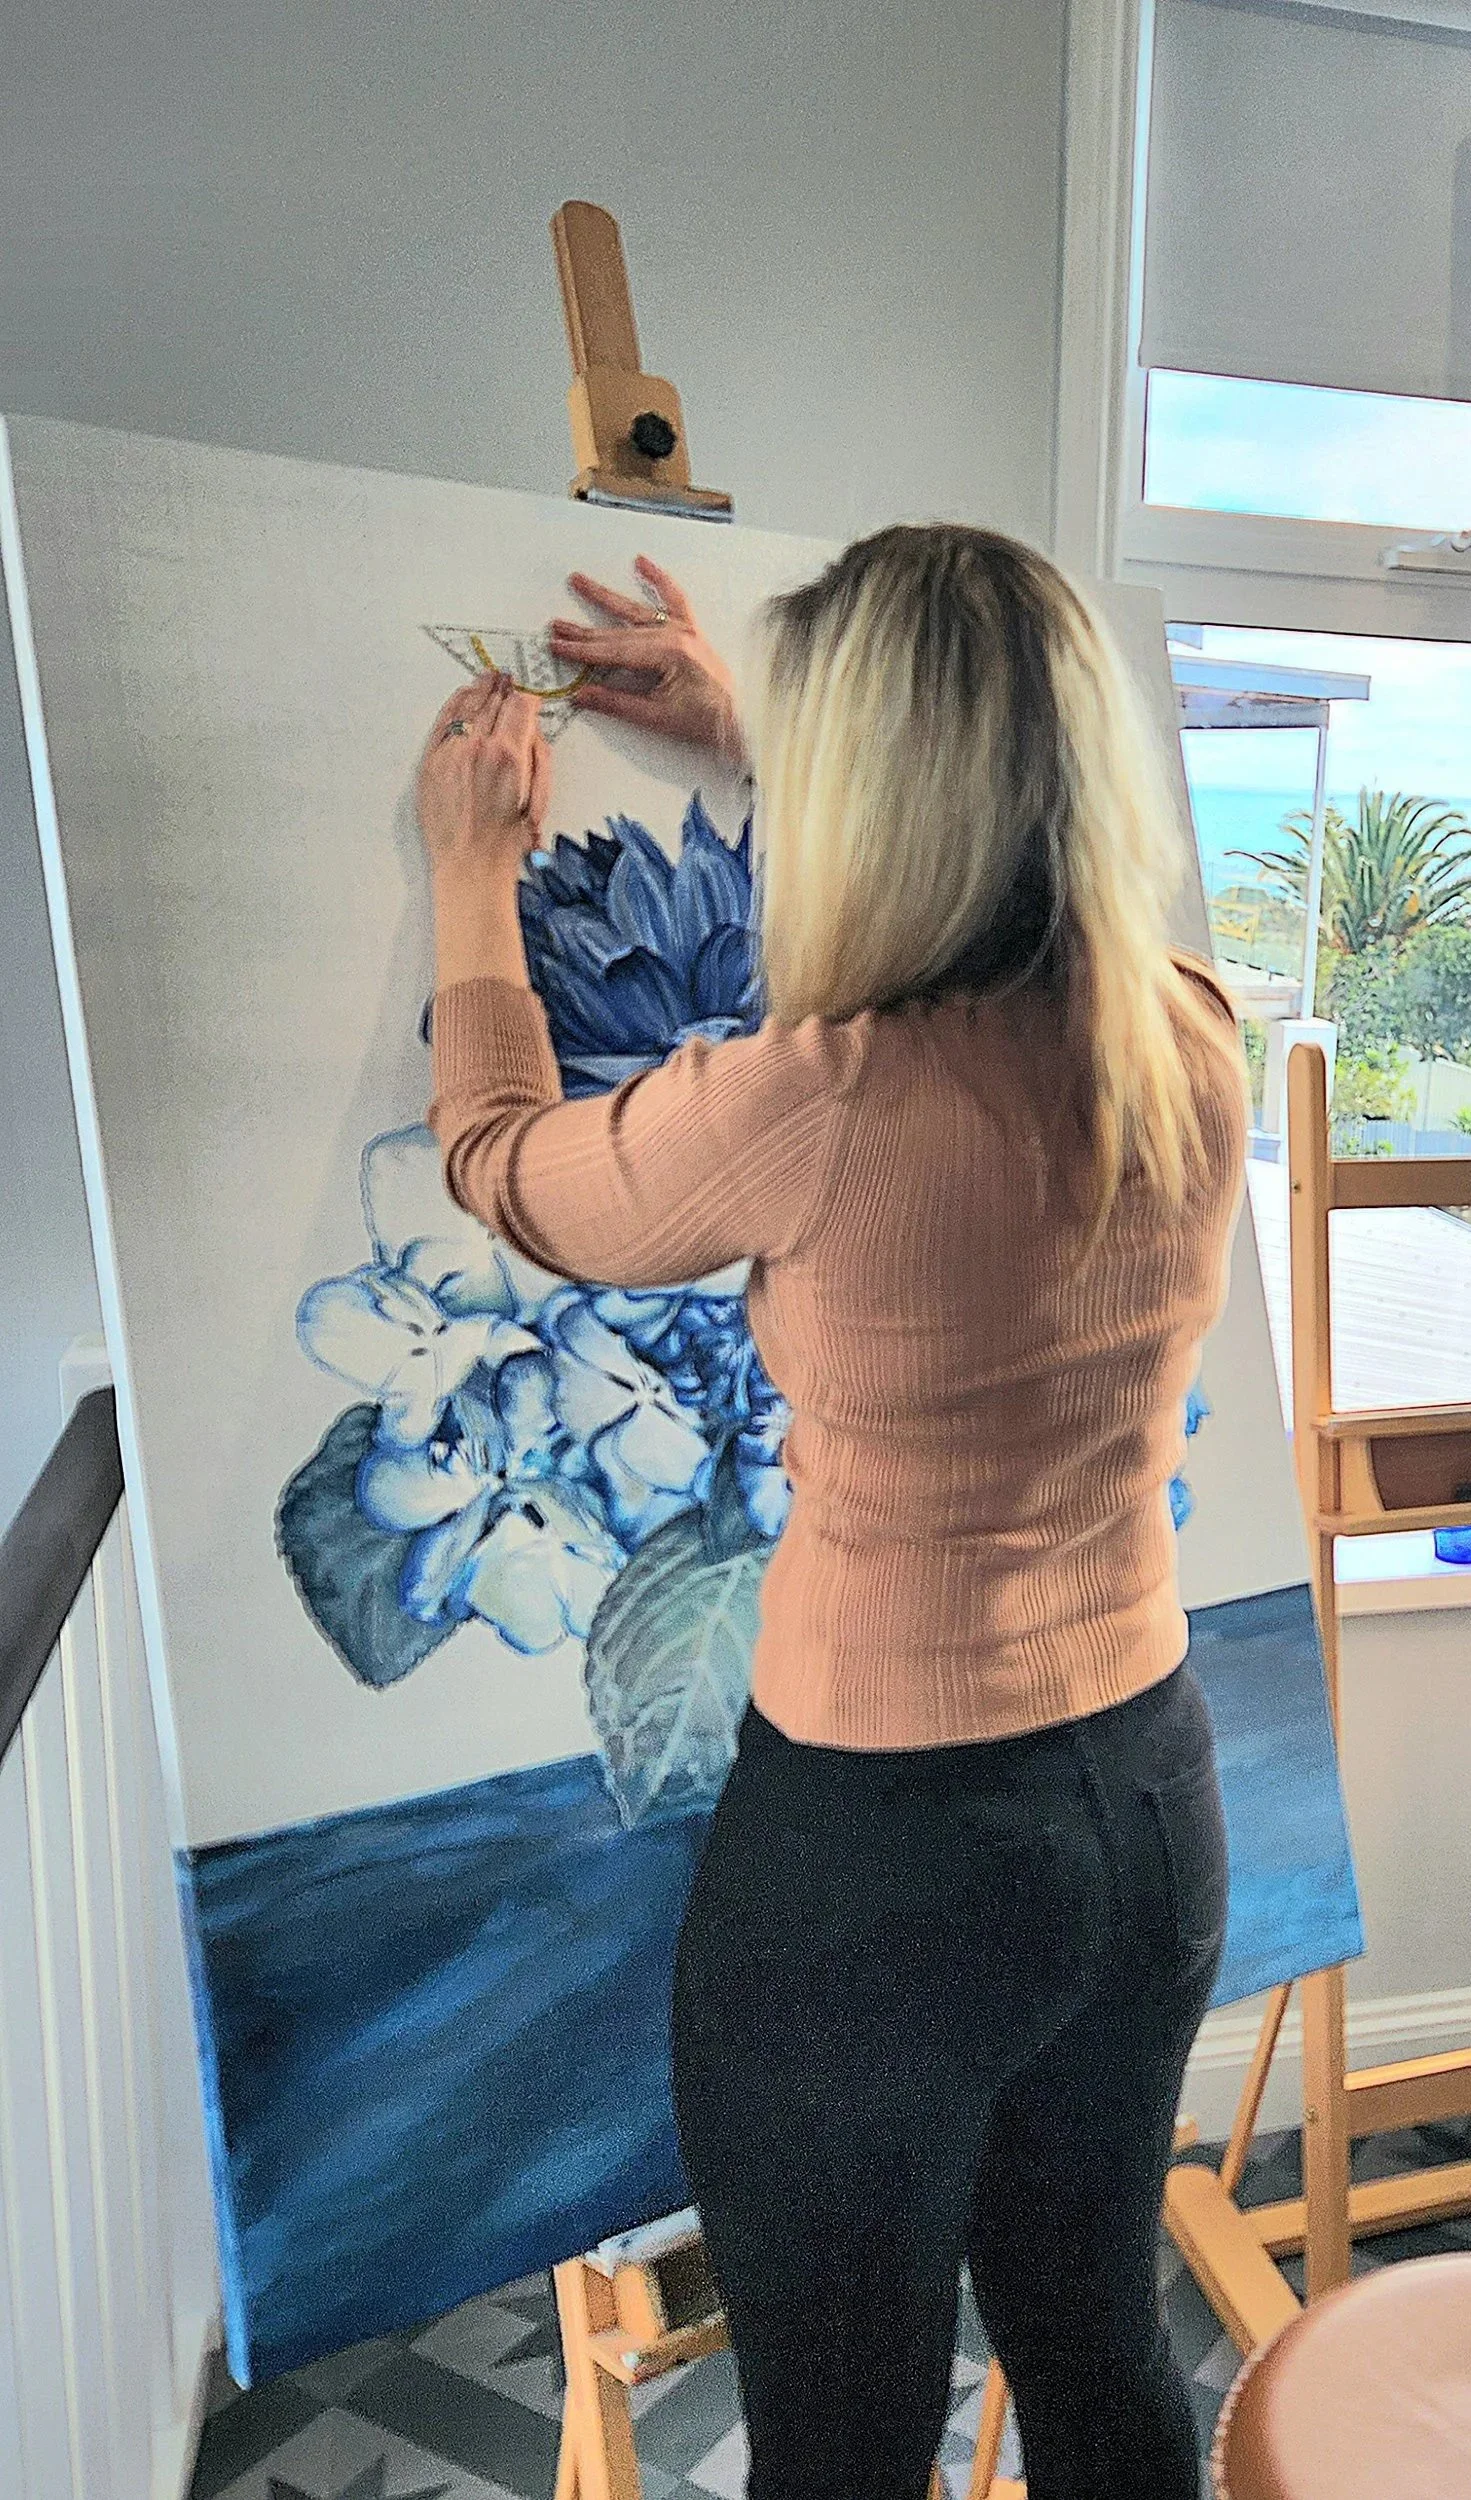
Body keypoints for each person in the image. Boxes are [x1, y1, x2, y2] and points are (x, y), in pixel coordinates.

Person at [416, 526, 1248, 2500]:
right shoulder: (1191, 1033)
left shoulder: (821, 1093)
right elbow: (1003, 893)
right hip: (1145, 1802)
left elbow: (510, 1169)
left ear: (879, 780)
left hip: (888, 1864)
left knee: (850, 2434)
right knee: (1097, 2340)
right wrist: (749, 750)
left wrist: (471, 877)